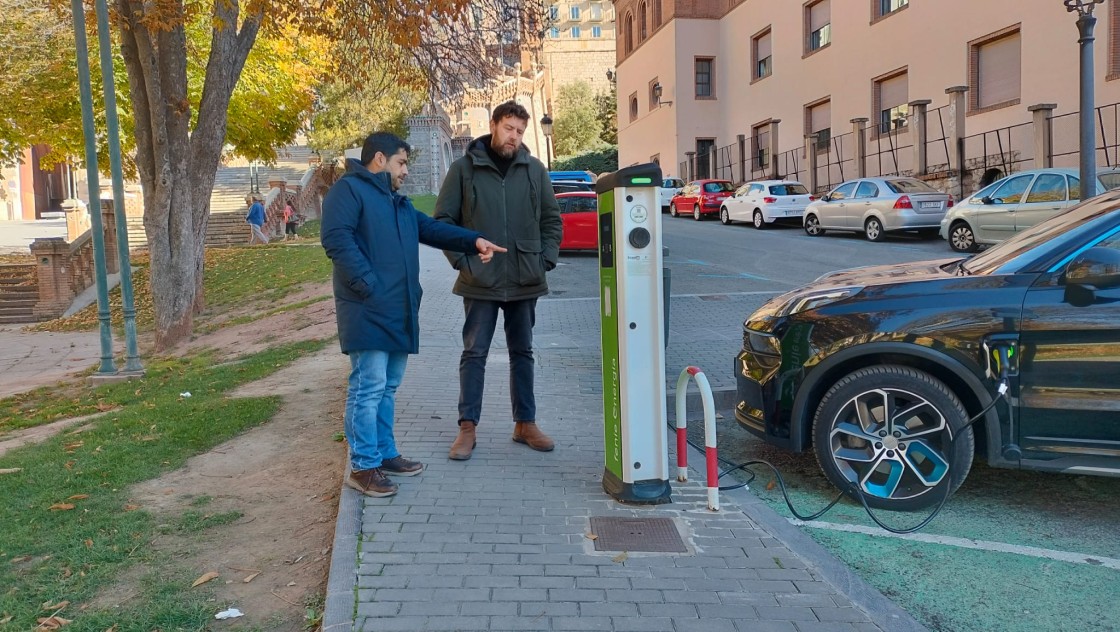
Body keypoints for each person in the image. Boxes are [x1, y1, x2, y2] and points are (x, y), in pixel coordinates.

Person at [321, 132, 507, 497]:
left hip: (399, 309)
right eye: (401, 163)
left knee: (387, 388)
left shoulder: (398, 204)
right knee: (368, 387)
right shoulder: (350, 191)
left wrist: (474, 240)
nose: (406, 171)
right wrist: (368, 286)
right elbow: (337, 239)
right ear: (379, 159)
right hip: (367, 308)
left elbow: (433, 229)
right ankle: (362, 465)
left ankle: (384, 454)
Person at [434, 100, 563, 461]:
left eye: (520, 132)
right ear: (493, 125)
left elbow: (552, 221)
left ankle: (525, 424)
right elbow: (442, 222)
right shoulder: (464, 169)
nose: (514, 137)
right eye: (509, 128)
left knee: (523, 352)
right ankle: (467, 428)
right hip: (480, 280)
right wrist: (464, 261)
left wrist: (545, 260)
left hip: (525, 279)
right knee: (474, 353)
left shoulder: (535, 170)